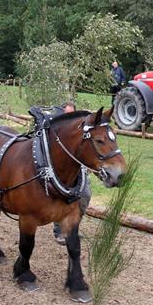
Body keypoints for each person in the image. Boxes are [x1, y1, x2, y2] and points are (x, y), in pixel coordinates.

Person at [53, 100, 92, 245]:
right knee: (61, 200)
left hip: (79, 171)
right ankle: (60, 231)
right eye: (67, 114)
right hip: (61, 172)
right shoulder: (57, 131)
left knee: (85, 196)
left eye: (72, 114)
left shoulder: (81, 130)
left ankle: (73, 227)